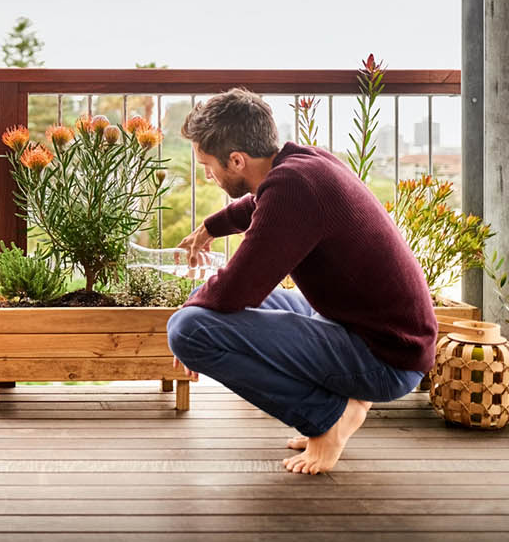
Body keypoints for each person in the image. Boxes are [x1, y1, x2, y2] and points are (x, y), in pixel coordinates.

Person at [165, 88, 436, 475]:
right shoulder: (302, 163)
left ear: (237, 160)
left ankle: (327, 419)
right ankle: (348, 404)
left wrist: (186, 317)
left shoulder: (294, 188)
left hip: (386, 359)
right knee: (198, 305)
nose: (207, 175)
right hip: (369, 332)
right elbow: (259, 204)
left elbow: (238, 288)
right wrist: (211, 227)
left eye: (208, 165)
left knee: (189, 330)